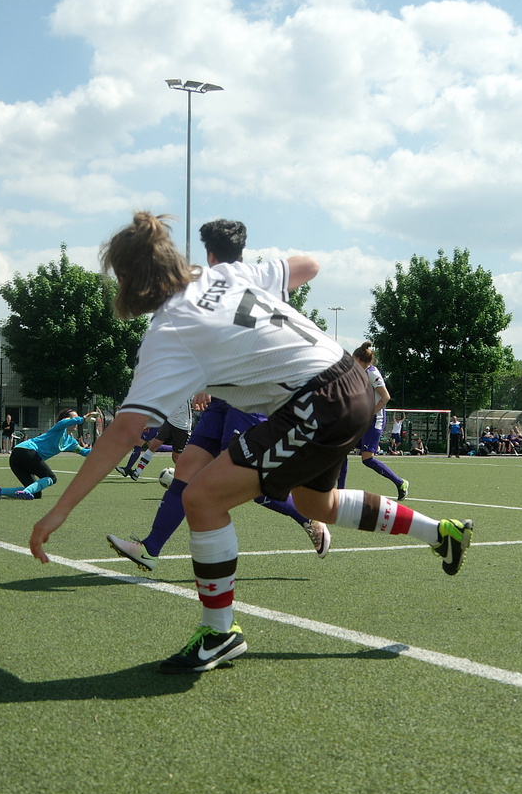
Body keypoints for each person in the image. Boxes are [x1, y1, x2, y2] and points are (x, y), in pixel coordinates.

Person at [32, 212, 473, 674]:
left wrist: (60, 510)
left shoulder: (170, 330)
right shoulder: (227, 273)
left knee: (202, 497)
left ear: (132, 281)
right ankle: (441, 533)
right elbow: (309, 266)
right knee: (315, 503)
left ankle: (219, 634)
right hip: (350, 381)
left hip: (317, 400)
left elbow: (124, 432)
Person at [106, 219, 332, 567]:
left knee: (244, 485)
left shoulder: (243, 281)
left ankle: (307, 518)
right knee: (188, 468)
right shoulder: (216, 288)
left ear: (209, 255)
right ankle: (149, 548)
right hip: (227, 398)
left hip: (253, 395)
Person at [338, 343, 408, 499]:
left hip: (374, 420)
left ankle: (400, 482)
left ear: (358, 359)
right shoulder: (358, 373)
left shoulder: (371, 372)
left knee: (367, 458)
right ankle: (339, 493)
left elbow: (385, 397)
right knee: (342, 449)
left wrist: (370, 413)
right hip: (363, 419)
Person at [0, 409, 99, 499]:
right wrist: (83, 418)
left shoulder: (70, 442)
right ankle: (25, 492)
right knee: (51, 478)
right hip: (26, 451)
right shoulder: (59, 428)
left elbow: (84, 452)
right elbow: (64, 422)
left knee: (36, 493)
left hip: (19, 457)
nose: (75, 421)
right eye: (73, 418)